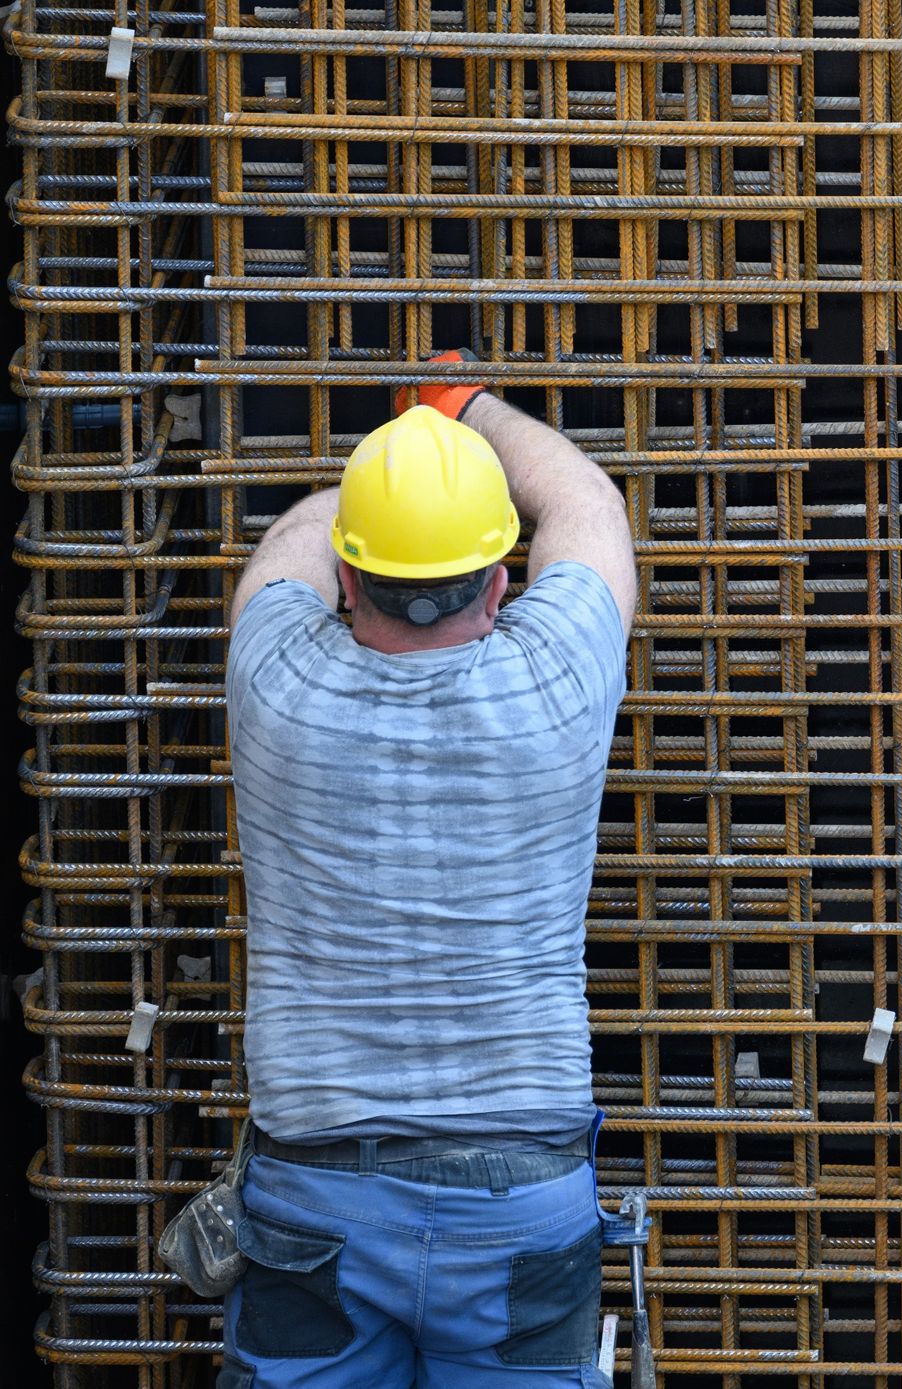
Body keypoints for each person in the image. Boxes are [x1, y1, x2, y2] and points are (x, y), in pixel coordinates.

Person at [219, 367, 636, 1388]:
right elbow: (586, 503)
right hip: (517, 1201)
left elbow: (287, 551)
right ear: (503, 579)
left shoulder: (272, 681)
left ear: (349, 581)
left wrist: (384, 465)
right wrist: (455, 410)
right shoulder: (558, 681)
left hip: (314, 1196)